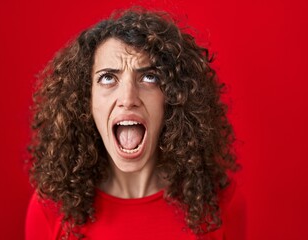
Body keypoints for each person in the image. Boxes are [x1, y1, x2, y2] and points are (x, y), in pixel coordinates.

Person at [25, 7, 245, 240]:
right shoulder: (51, 209)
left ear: (173, 97)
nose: (128, 99)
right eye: (108, 78)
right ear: (85, 99)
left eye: (149, 77)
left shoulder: (220, 205)